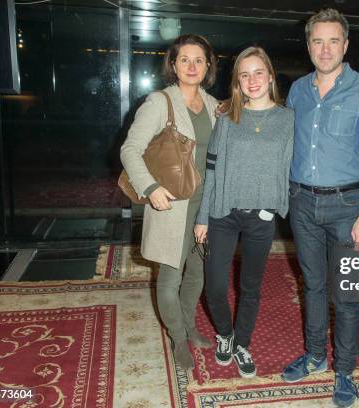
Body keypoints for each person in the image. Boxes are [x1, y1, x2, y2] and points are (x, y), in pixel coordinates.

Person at [280, 9, 359, 408]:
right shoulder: (297, 91)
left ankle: (344, 370)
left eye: (333, 41)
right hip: (302, 203)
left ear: (345, 44)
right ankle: (313, 356)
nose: (325, 49)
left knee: (344, 295)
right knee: (312, 286)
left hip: (347, 207)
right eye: (317, 41)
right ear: (308, 45)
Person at [120, 34, 219, 370]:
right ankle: (178, 337)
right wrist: (150, 187)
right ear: (173, 65)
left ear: (208, 66)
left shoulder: (213, 105)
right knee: (170, 277)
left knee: (197, 274)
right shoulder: (159, 102)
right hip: (172, 205)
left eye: (199, 60)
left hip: (205, 206)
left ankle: (190, 326)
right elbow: (130, 150)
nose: (192, 66)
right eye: (184, 59)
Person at [194, 46, 294, 379]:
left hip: (260, 218)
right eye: (244, 74)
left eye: (258, 72)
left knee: (251, 287)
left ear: (270, 76)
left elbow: (289, 168)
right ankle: (225, 333)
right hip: (223, 213)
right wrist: (202, 217)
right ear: (237, 81)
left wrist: (277, 207)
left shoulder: (288, 119)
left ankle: (242, 343)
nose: (252, 81)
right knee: (216, 287)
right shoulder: (227, 117)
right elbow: (211, 170)